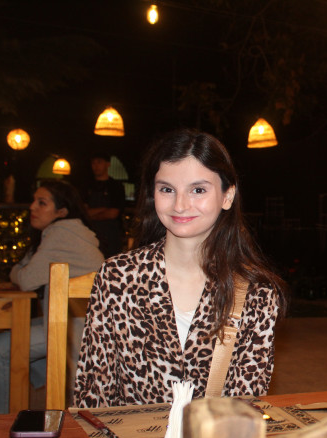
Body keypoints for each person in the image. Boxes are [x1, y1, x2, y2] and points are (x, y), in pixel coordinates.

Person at [74, 128, 286, 407]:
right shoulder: (117, 277)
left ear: (227, 196)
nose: (180, 205)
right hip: (128, 435)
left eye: (198, 190)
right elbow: (93, 394)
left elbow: (244, 405)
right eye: (167, 189)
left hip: (213, 434)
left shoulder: (256, 292)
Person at [0, 180, 105, 414]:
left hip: (79, 331)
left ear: (61, 211)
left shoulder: (62, 234)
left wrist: (18, 270)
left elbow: (25, 278)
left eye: (42, 203)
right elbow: (25, 272)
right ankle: (33, 399)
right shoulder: (66, 233)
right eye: (34, 201)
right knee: (13, 334)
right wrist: (21, 269)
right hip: (79, 321)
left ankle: (1, 418)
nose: (32, 207)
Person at [84, 153, 126, 258]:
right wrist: (104, 209)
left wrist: (91, 215)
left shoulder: (116, 186)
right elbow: (83, 211)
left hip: (111, 237)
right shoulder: (85, 185)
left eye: (99, 162)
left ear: (108, 164)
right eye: (93, 163)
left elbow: (113, 213)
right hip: (90, 234)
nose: (96, 166)